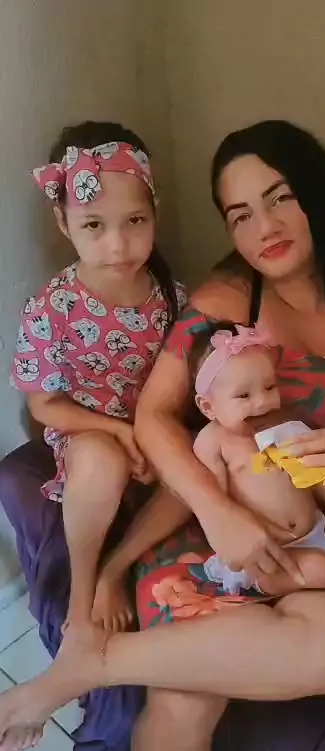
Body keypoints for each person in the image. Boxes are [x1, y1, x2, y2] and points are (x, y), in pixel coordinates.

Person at [0, 120, 325, 751]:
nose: (263, 227)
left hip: (313, 534)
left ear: (319, 194)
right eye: (239, 214)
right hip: (207, 524)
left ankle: (84, 668)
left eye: (280, 197)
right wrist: (216, 513)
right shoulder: (228, 297)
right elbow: (155, 416)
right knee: (184, 693)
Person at [10, 121, 186, 631]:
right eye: (93, 225)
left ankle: (117, 571)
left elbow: (184, 383)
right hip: (91, 432)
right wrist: (115, 431)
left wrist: (154, 439)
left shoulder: (172, 297)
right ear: (63, 222)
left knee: (202, 461)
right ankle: (83, 596)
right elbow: (43, 403)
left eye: (135, 220)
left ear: (155, 212)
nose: (119, 245)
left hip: (155, 427)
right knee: (101, 460)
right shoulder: (51, 308)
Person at [192, 321, 325, 607]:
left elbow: (315, 473)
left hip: (314, 531)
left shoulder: (284, 427)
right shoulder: (213, 442)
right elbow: (215, 503)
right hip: (269, 554)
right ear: (208, 407)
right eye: (244, 396)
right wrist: (238, 532)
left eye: (270, 387)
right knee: (318, 568)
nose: (263, 402)